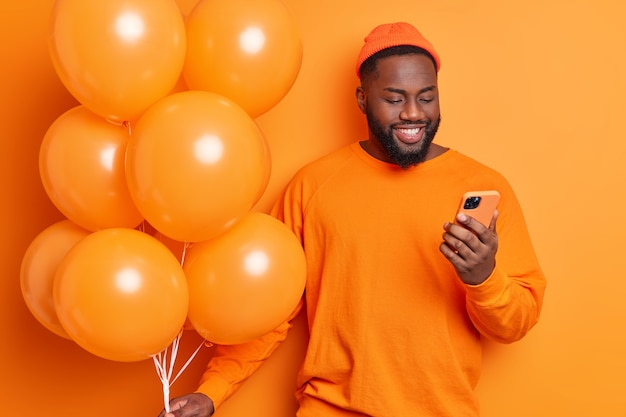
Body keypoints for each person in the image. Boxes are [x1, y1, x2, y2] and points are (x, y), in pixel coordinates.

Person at [158, 22, 546, 417]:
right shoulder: (312, 185)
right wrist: (212, 391)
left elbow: (514, 325)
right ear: (362, 99)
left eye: (426, 97)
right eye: (394, 99)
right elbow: (267, 311)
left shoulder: (482, 186)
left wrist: (482, 277)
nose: (413, 113)